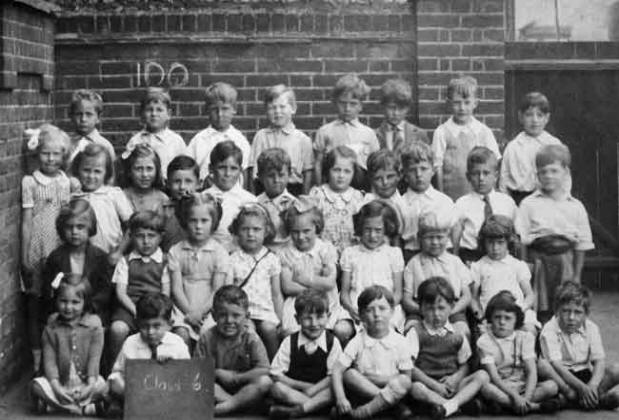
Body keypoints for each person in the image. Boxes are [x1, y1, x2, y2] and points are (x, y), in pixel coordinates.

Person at [22, 124, 80, 372]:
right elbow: (26, 221)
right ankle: (37, 360)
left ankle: (58, 357)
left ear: (63, 156)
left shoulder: (66, 182)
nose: (51, 159)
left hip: (59, 247)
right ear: (37, 154)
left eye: (57, 154)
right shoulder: (29, 182)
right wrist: (25, 254)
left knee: (57, 302)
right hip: (38, 246)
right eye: (46, 153)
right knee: (35, 304)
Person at [515, 144, 593, 321]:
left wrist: (576, 275)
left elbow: (582, 245)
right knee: (539, 310)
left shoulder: (575, 206)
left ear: (565, 172)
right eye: (543, 171)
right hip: (538, 263)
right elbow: (523, 242)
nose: (548, 176)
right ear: (537, 174)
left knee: (565, 308)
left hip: (565, 263)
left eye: (554, 170)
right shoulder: (529, 204)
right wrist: (525, 274)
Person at [407, 277, 489, 419]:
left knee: (482, 376)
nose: (436, 314)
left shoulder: (457, 334)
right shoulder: (416, 332)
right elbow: (410, 367)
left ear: (451, 307)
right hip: (427, 385)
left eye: (441, 308)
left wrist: (456, 378)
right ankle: (453, 405)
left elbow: (465, 365)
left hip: (452, 385)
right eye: (430, 309)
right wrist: (434, 385)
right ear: (420, 308)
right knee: (415, 388)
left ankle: (447, 406)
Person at [331, 286, 413, 420]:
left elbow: (407, 377)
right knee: (350, 374)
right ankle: (390, 405)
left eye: (382, 308)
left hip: (393, 388)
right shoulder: (358, 340)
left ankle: (362, 413)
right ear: (361, 315)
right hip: (364, 391)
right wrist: (341, 398)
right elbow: (337, 370)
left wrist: (375, 378)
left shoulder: (400, 341)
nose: (376, 314)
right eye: (369, 310)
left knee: (404, 381)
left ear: (392, 311)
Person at [30, 275, 107, 416]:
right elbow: (50, 361)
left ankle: (54, 408)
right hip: (60, 383)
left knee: (106, 387)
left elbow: (94, 359)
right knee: (36, 386)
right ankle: (81, 409)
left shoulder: (94, 325)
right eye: (63, 301)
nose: (68, 307)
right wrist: (57, 387)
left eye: (75, 302)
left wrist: (90, 386)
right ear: (56, 300)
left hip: (86, 382)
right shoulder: (52, 326)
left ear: (86, 302)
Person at [478, 291, 560, 415]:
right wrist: (515, 398)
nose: (502, 322)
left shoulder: (525, 337)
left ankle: (510, 406)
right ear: (490, 318)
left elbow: (531, 371)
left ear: (516, 319)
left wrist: (525, 398)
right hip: (501, 387)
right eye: (497, 317)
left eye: (508, 318)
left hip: (523, 386)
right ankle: (534, 407)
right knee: (486, 389)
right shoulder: (484, 341)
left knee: (552, 386)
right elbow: (494, 377)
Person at [540, 282, 619, 411]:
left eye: (578, 312)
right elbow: (557, 366)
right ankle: (591, 399)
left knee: (616, 370)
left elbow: (599, 360)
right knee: (544, 366)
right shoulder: (549, 330)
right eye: (566, 311)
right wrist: (582, 388)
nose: (571, 317)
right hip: (562, 378)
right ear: (557, 310)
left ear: (586, 314)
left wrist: (592, 386)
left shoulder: (591, 327)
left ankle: (582, 398)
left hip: (585, 374)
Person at [195, 285, 272, 416]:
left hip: (245, 387)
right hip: (217, 389)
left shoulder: (251, 338)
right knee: (200, 383)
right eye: (222, 315)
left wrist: (236, 377)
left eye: (236, 315)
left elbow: (264, 369)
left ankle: (224, 408)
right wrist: (217, 372)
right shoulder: (207, 338)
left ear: (247, 316)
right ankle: (236, 405)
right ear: (213, 316)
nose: (229, 321)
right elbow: (196, 371)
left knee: (265, 381)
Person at [269, 289, 343, 419]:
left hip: (321, 390)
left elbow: (334, 375)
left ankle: (297, 411)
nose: (314, 324)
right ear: (297, 319)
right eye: (308, 318)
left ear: (328, 316)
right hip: (295, 391)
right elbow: (276, 374)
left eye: (320, 317)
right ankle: (318, 408)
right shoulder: (289, 341)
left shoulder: (332, 342)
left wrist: (314, 390)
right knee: (277, 388)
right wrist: (305, 387)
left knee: (336, 390)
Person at [278, 196, 344, 341]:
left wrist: (302, 279)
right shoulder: (285, 253)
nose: (301, 237)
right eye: (295, 231)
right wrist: (317, 283)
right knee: (292, 331)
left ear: (317, 227)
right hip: (298, 302)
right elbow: (288, 287)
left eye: (306, 231)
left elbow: (329, 284)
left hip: (327, 301)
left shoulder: (326, 249)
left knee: (330, 330)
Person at [168, 193, 230, 345]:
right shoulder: (176, 251)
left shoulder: (219, 252)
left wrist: (200, 313)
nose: (198, 226)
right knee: (181, 334)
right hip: (184, 306)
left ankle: (206, 369)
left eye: (204, 221)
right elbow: (176, 289)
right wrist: (189, 313)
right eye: (193, 221)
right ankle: (185, 368)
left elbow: (217, 290)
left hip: (209, 307)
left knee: (208, 334)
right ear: (185, 222)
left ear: (213, 223)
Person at [109, 211, 170, 363]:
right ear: (132, 237)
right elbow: (121, 293)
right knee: (118, 329)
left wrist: (156, 312)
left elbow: (165, 293)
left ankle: (158, 369)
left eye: (151, 236)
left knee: (164, 330)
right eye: (140, 235)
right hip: (130, 307)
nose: (146, 241)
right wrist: (136, 311)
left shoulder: (164, 261)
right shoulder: (126, 261)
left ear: (160, 237)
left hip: (156, 308)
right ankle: (114, 368)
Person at [42, 198, 113, 327]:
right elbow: (49, 291)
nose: (74, 232)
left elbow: (105, 291)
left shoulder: (100, 256)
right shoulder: (56, 257)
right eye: (69, 227)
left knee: (92, 324)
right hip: (64, 311)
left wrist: (85, 310)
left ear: (90, 228)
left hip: (91, 312)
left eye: (80, 227)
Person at [107, 293, 190, 404]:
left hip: (168, 393)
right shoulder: (131, 343)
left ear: (170, 324)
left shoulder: (177, 343)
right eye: (145, 326)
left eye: (156, 326)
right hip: (136, 394)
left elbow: (188, 375)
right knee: (115, 383)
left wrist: (173, 365)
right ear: (137, 323)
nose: (150, 332)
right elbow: (117, 373)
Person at [402, 213, 472, 339]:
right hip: (421, 310)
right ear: (419, 238)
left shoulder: (455, 262)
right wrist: (425, 311)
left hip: (452, 310)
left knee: (462, 332)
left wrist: (450, 311)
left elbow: (466, 295)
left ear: (448, 238)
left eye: (439, 237)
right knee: (411, 330)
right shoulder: (413, 264)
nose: (435, 242)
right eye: (429, 238)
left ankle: (459, 359)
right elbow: (406, 299)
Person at [339, 201, 405, 333]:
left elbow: (398, 292)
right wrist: (351, 309)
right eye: (367, 230)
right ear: (360, 229)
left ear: (386, 229)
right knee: (342, 330)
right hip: (356, 307)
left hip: (386, 307)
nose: (372, 235)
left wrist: (386, 308)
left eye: (378, 230)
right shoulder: (350, 253)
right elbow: (344, 292)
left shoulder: (393, 254)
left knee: (387, 329)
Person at [228, 203, 283, 359]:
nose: (250, 234)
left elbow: (276, 293)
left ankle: (275, 364)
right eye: (245, 229)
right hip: (244, 312)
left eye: (256, 230)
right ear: (237, 232)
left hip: (265, 311)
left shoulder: (271, 259)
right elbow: (230, 292)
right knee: (248, 331)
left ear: (266, 232)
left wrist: (279, 319)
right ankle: (251, 365)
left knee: (269, 329)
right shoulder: (233, 259)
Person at [432, 75, 500, 200]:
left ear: (475, 103)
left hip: (479, 197)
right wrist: (442, 198)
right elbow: (438, 168)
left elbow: (494, 164)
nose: (462, 108)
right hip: (451, 196)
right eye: (457, 103)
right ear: (449, 103)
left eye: (467, 102)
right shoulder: (442, 132)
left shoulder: (483, 132)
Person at [470, 215, 537, 334]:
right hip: (492, 316)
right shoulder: (478, 266)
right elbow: (473, 298)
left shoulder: (517, 265)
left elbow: (530, 295)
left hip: (517, 313)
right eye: (490, 243)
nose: (495, 248)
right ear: (484, 242)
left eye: (500, 243)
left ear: (508, 242)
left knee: (529, 330)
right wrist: (479, 315)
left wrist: (520, 310)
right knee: (485, 334)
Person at [499, 91, 569, 204]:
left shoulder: (554, 144)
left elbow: (565, 178)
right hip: (519, 200)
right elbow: (504, 179)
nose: (534, 120)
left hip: (549, 200)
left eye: (539, 115)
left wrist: (561, 203)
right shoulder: (513, 146)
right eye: (529, 115)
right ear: (520, 117)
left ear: (547, 118)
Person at [314, 74, 379, 190]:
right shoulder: (325, 131)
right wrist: (320, 189)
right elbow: (318, 164)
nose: (347, 108)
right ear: (335, 103)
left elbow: (375, 167)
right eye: (343, 103)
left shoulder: (368, 134)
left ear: (361, 106)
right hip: (333, 188)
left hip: (361, 188)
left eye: (353, 104)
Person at [454, 146, 517, 265]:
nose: (481, 178)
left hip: (502, 260)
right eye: (476, 174)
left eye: (486, 173)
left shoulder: (507, 202)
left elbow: (515, 236)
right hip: (471, 259)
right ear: (468, 177)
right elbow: (455, 240)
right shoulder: (461, 204)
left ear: (496, 176)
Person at [248, 84, 313, 195]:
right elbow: (252, 170)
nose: (277, 111)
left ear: (293, 108)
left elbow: (308, 172)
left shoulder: (302, 139)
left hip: (293, 190)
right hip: (264, 190)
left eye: (282, 107)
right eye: (272, 107)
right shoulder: (261, 137)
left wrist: (304, 198)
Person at [71, 143, 133, 258]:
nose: (91, 176)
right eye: (86, 170)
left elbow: (132, 225)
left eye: (97, 171)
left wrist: (120, 251)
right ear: (78, 169)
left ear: (106, 172)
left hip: (111, 254)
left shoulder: (113, 194)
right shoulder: (74, 197)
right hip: (82, 259)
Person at [400, 142, 458, 262]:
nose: (418, 174)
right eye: (412, 170)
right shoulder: (400, 203)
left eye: (423, 169)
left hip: (440, 255)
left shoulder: (443, 202)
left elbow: (453, 232)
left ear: (433, 170)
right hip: (410, 255)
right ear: (405, 174)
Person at [186, 82, 251, 187]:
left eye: (225, 109)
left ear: (234, 109)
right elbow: (189, 171)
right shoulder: (199, 140)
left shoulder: (240, 140)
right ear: (207, 110)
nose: (220, 114)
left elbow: (245, 175)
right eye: (214, 109)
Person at [202, 140, 256, 251]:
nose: (227, 174)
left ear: (240, 170)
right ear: (211, 169)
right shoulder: (203, 197)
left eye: (233, 168)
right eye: (222, 167)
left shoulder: (249, 200)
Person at [309, 146, 364, 255]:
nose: (341, 176)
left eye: (347, 171)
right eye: (336, 170)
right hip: (323, 254)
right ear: (328, 170)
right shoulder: (318, 194)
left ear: (354, 173)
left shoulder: (358, 197)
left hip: (351, 255)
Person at [124, 87, 186, 177]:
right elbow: (128, 168)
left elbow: (184, 168)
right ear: (142, 114)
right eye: (149, 110)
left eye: (159, 110)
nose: (154, 114)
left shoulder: (176, 141)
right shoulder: (135, 141)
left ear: (169, 114)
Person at [255, 148, 297, 252]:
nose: (276, 180)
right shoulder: (256, 204)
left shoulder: (294, 204)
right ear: (260, 177)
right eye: (270, 176)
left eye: (281, 175)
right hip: (263, 254)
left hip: (288, 252)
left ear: (289, 175)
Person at [375, 78, 429, 158]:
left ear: (408, 108)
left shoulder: (419, 134)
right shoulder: (374, 135)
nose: (396, 113)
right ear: (383, 106)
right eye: (391, 107)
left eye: (401, 108)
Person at [361, 150, 406, 242]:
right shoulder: (365, 203)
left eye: (390, 177)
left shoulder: (405, 203)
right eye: (378, 178)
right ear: (371, 179)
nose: (385, 182)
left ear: (399, 175)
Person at [160, 155, 200, 252]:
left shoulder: (202, 206)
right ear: (167, 183)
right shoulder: (162, 209)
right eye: (177, 181)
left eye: (188, 181)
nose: (182, 187)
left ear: (199, 184)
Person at [67, 89, 115, 166]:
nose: (83, 119)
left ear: (98, 117)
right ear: (71, 116)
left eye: (88, 114)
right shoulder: (66, 144)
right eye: (78, 114)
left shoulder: (105, 145)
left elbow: (111, 174)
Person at [122, 143, 168, 213]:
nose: (144, 174)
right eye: (139, 169)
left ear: (157, 171)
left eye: (149, 169)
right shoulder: (122, 197)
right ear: (130, 171)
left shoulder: (163, 199)